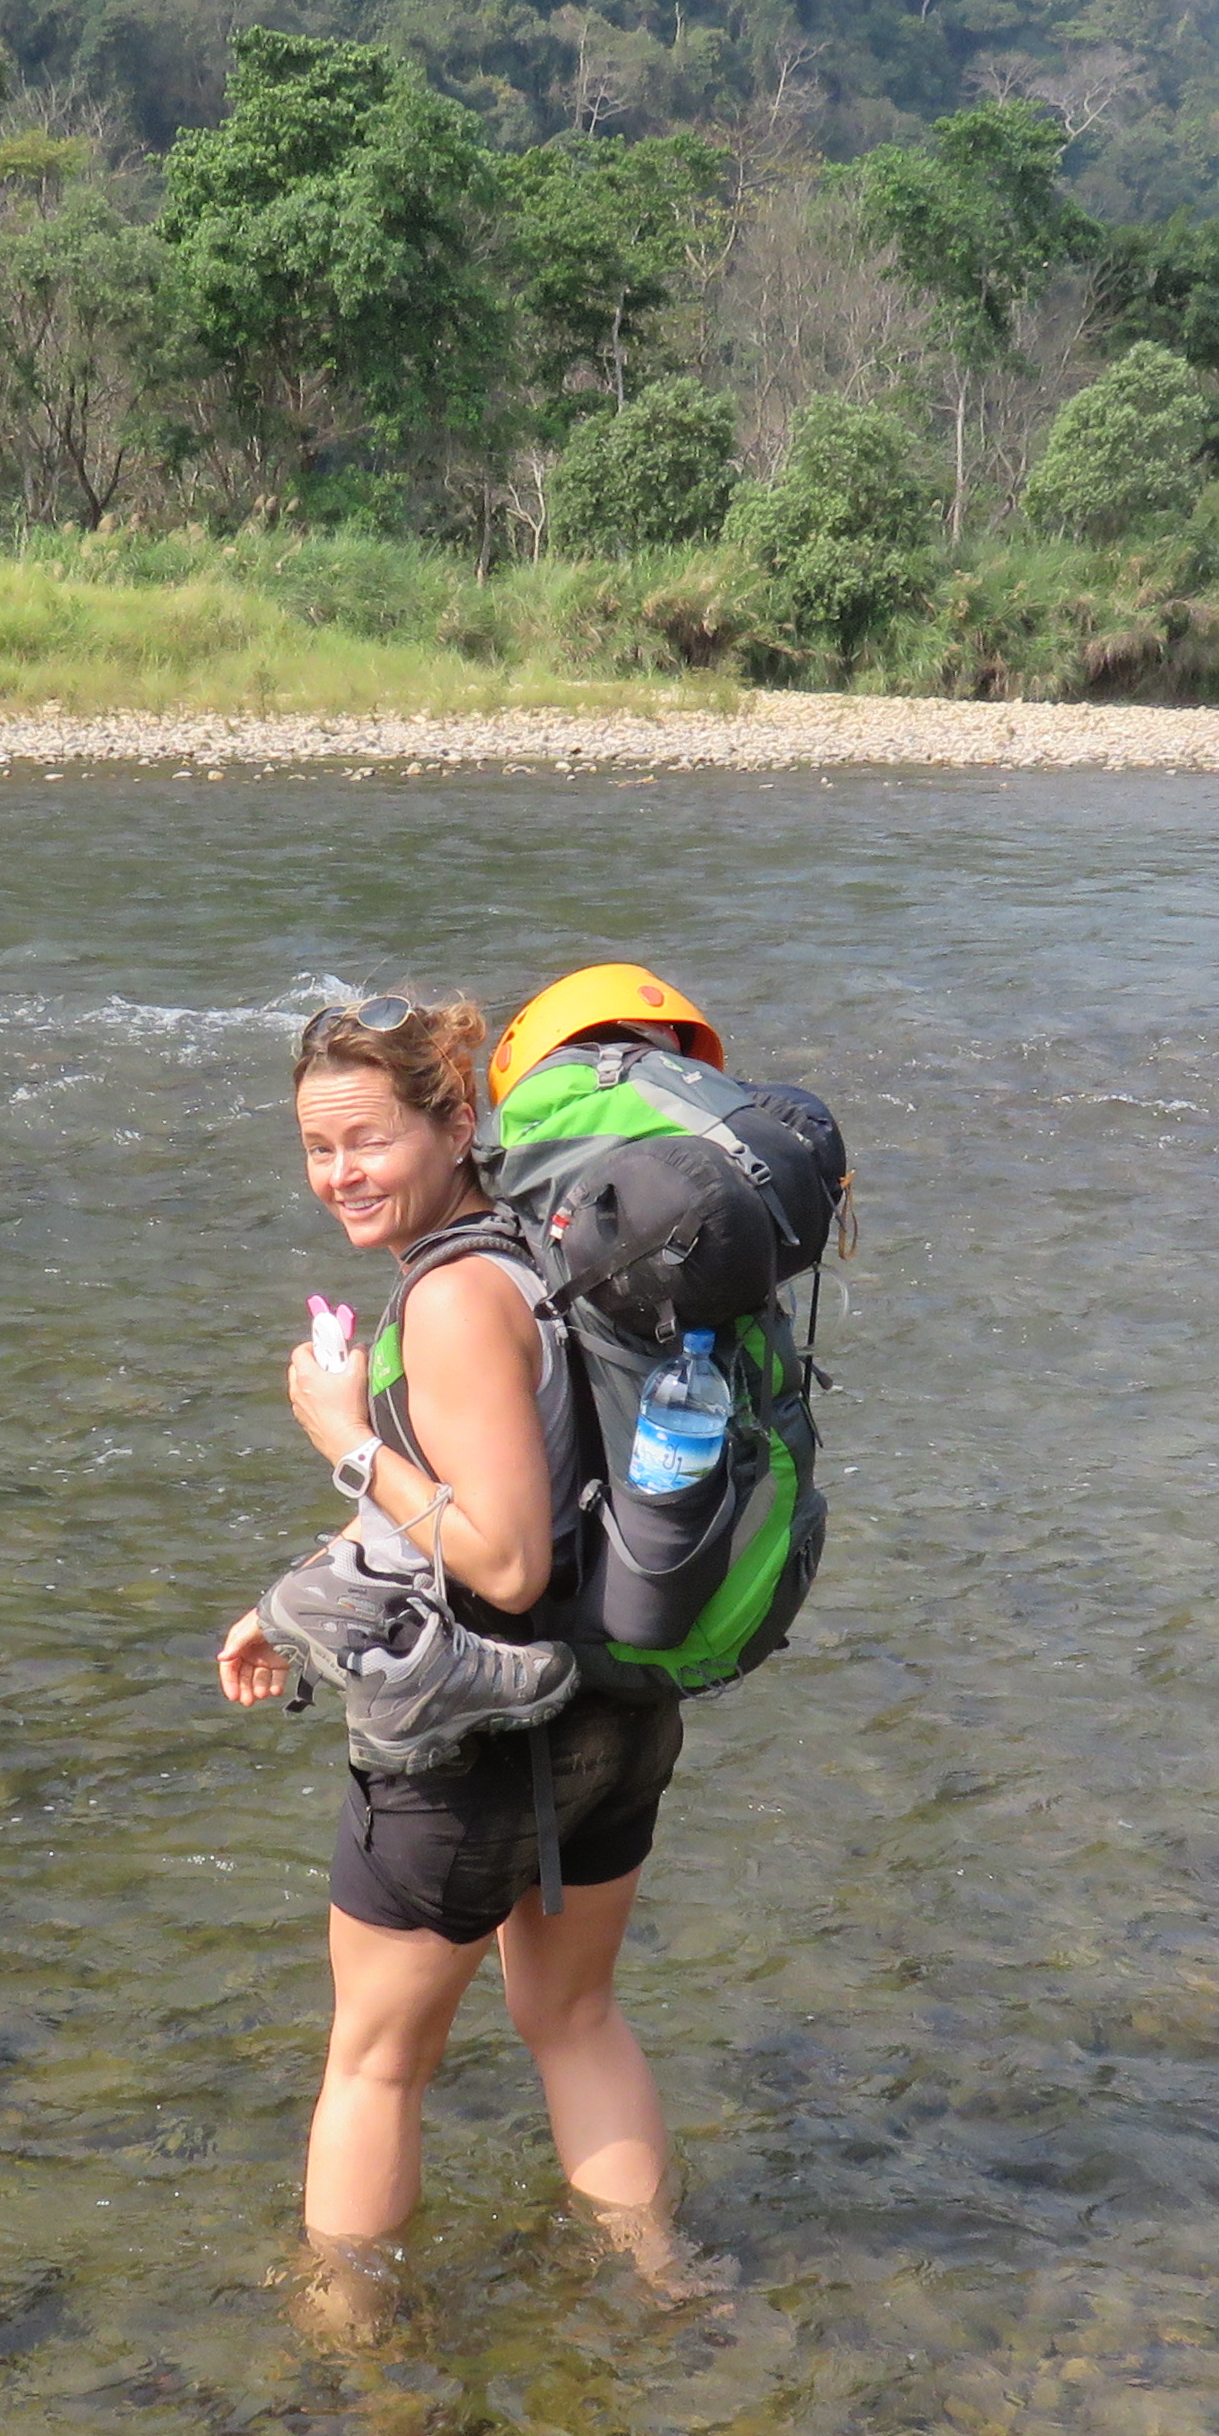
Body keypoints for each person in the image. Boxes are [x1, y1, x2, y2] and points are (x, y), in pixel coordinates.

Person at [214, 991, 706, 2321]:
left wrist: (341, 1435)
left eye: (368, 1140)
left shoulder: (449, 1300)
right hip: (617, 1704)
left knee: (375, 2064)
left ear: (453, 1123)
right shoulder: (552, 1249)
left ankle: (353, 2357)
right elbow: (498, 1480)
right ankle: (667, 2297)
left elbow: (503, 1557)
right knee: (575, 2018)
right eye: (317, 1149)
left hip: (476, 1731)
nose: (340, 1174)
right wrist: (297, 1596)